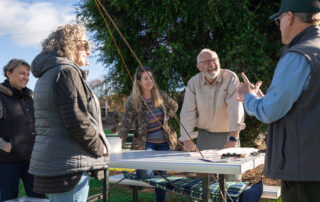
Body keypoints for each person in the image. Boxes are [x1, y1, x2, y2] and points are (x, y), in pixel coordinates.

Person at [236, 0, 320, 201]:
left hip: (306, 173)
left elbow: (269, 112)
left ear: (288, 17)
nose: (279, 26)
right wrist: (263, 98)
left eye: (279, 20)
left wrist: (248, 96)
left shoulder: (299, 55)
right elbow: (307, 105)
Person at [28, 24, 110, 201]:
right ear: (70, 44)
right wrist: (100, 147)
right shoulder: (66, 72)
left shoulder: (50, 72)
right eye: (85, 46)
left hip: (58, 162)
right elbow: (78, 121)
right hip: (69, 165)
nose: (88, 52)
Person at [118, 66, 178, 202]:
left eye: (151, 78)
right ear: (139, 81)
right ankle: (133, 174)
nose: (149, 81)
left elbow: (174, 106)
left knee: (162, 178)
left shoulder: (161, 95)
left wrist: (167, 117)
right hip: (146, 143)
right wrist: (118, 144)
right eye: (146, 78)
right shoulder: (133, 101)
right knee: (145, 174)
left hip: (164, 143)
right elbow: (125, 125)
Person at [180, 48, 245, 152]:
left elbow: (235, 108)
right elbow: (188, 112)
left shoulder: (230, 77)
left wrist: (233, 139)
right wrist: (187, 140)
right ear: (199, 67)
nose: (212, 64)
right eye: (206, 62)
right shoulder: (193, 83)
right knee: (203, 168)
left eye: (214, 60)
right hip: (204, 136)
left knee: (229, 168)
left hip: (229, 135)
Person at [0, 59, 45, 201]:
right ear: (8, 73)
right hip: (7, 161)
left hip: (32, 160)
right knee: (8, 198)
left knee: (38, 197)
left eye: (27, 74)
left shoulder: (30, 96)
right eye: (21, 73)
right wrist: (4, 145)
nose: (26, 77)